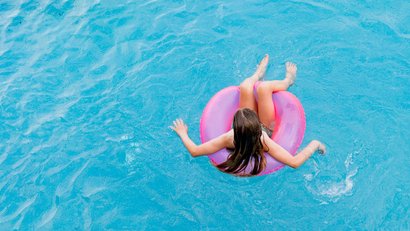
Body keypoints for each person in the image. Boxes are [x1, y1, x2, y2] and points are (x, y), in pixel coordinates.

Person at [170, 54, 326, 176]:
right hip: (266, 128)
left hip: (251, 130)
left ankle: (258, 73)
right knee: (264, 88)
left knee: (245, 86)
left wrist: (183, 133)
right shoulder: (263, 139)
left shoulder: (230, 137)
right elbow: (294, 162)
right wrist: (315, 144)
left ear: (235, 128)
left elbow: (195, 151)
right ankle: (288, 80)